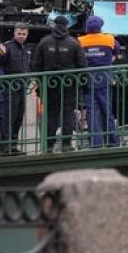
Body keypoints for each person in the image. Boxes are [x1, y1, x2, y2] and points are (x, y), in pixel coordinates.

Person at [32, 15, 87, 152]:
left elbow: (37, 63)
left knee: (51, 113)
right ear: (67, 27)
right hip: (69, 82)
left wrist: (41, 80)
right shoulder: (74, 43)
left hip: (50, 82)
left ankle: (49, 144)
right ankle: (67, 143)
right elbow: (82, 65)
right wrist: (81, 83)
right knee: (68, 112)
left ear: (54, 25)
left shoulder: (44, 42)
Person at [78, 15, 120, 148]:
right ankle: (112, 141)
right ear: (101, 27)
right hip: (105, 79)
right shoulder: (109, 39)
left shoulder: (80, 41)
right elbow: (117, 52)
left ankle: (95, 142)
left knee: (91, 112)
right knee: (107, 111)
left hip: (88, 81)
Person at [0, 23, 34, 155]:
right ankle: (5, 146)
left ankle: (13, 144)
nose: (21, 36)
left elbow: (29, 66)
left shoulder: (27, 48)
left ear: (27, 35)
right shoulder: (8, 46)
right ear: (14, 33)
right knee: (10, 116)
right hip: (10, 86)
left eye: (24, 34)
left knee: (19, 116)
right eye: (19, 33)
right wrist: (1, 54)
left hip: (22, 86)